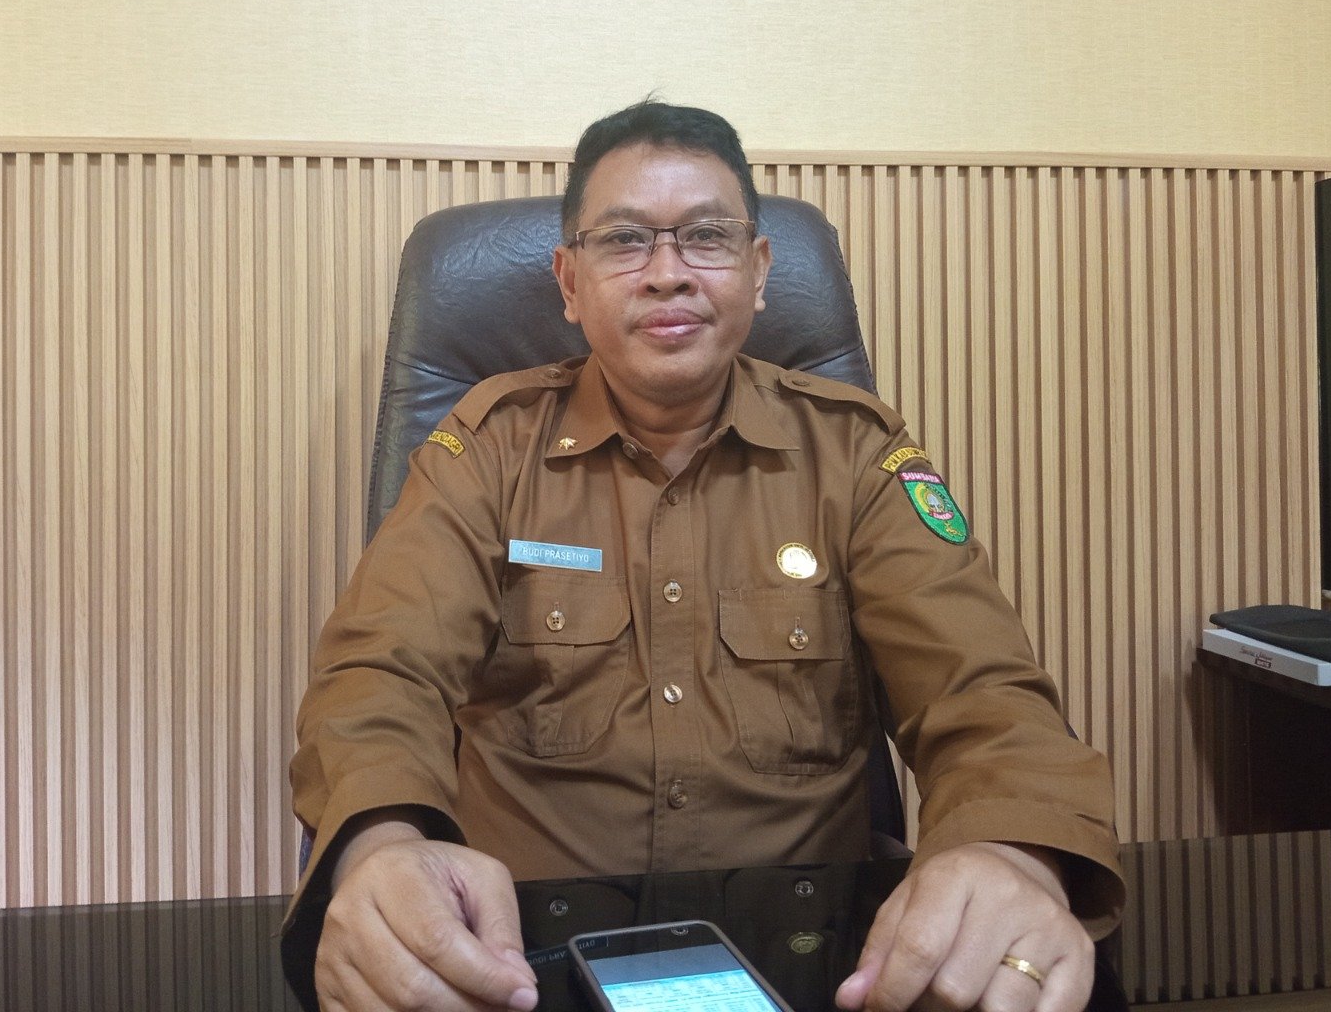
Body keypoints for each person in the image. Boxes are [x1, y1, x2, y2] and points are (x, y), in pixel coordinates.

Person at [287, 100, 1124, 1012]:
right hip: (522, 967)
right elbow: (381, 672)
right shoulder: (489, 447)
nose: (666, 273)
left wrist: (1012, 858)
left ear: (758, 272)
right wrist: (381, 844)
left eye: (707, 237)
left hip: (812, 963)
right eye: (624, 241)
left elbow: (983, 692)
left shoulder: (855, 453)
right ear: (570, 282)